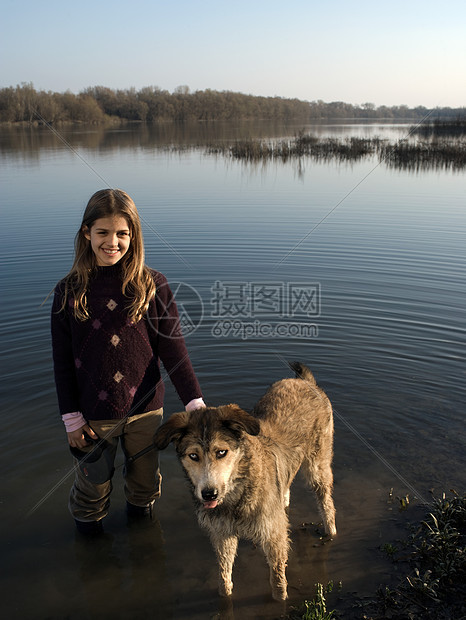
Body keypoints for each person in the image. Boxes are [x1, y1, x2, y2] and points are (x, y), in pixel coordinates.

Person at [51, 188, 205, 535]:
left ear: (133, 236)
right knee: (93, 487)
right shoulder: (69, 291)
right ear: (86, 232)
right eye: (103, 232)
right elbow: (61, 363)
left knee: (145, 483)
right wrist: (72, 419)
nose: (112, 242)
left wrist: (194, 402)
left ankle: (144, 547)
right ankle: (91, 558)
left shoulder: (153, 286)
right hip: (93, 415)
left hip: (146, 411)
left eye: (122, 233)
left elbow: (174, 351)